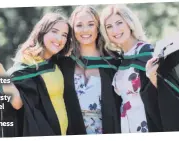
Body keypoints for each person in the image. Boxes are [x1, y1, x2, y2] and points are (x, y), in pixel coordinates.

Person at [99, 4, 179, 133]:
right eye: (109, 26)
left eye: (119, 23)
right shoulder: (120, 60)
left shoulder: (148, 53)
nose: (115, 30)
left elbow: (167, 93)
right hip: (127, 127)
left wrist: (153, 76)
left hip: (147, 126)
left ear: (129, 23)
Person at [25, 5, 121, 135]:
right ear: (73, 30)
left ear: (98, 28)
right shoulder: (63, 63)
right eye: (79, 25)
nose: (85, 30)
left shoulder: (113, 62)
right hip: (73, 131)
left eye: (90, 24)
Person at [0, 12, 72, 136]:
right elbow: (17, 103)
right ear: (42, 32)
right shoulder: (27, 65)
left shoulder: (57, 62)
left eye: (64, 35)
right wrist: (0, 70)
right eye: (54, 31)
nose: (59, 39)